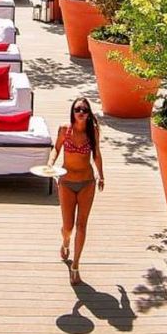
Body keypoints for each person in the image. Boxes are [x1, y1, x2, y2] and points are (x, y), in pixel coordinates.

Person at [49, 98, 106, 284]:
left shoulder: (93, 131)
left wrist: (101, 175)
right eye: (77, 109)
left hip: (87, 182)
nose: (81, 112)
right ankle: (65, 241)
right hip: (66, 182)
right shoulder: (64, 130)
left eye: (84, 110)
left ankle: (76, 266)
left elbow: (96, 154)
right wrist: (50, 164)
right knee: (68, 227)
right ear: (72, 112)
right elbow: (56, 149)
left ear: (89, 113)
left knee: (82, 225)